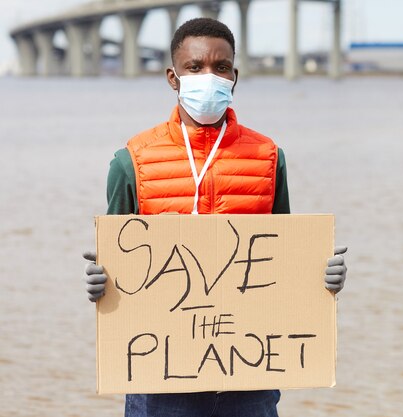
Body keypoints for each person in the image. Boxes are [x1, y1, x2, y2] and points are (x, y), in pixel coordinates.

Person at [82, 17, 347, 417]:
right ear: (173, 77)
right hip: (160, 383)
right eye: (195, 67)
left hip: (249, 380)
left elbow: (283, 261)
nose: (210, 76)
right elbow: (121, 266)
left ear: (235, 75)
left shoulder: (268, 157)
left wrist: (320, 278)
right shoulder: (131, 161)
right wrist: (103, 284)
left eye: (221, 67)